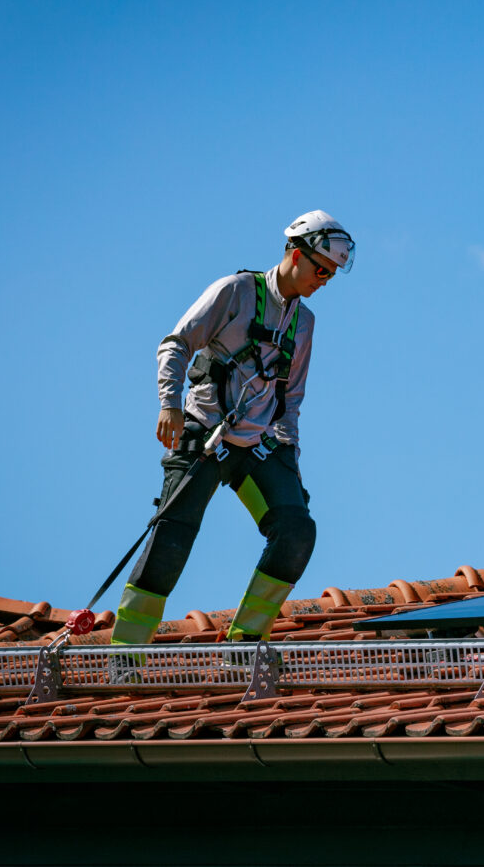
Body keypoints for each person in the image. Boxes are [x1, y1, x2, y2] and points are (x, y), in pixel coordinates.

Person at [110, 211, 354, 650]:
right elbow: (176, 344)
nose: (326, 279)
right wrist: (169, 404)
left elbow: (290, 400)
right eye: (322, 269)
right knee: (172, 536)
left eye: (332, 274)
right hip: (204, 436)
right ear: (295, 255)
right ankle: (125, 655)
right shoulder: (236, 291)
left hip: (257, 446)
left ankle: (243, 648)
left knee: (297, 532)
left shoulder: (305, 323)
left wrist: (290, 460)